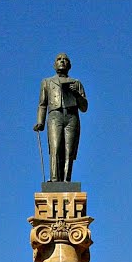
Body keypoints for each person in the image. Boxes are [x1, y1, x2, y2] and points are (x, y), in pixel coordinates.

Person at [34, 53, 88, 182]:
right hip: (55, 115)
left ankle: (66, 180)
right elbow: (42, 104)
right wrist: (40, 122)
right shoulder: (47, 82)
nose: (62, 61)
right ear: (54, 64)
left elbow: (84, 107)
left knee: (69, 151)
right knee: (55, 147)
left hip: (71, 116)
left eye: (65, 60)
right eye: (59, 59)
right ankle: (54, 179)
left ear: (69, 65)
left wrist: (76, 93)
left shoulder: (76, 83)